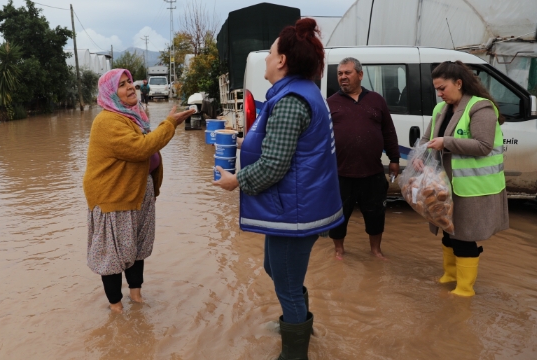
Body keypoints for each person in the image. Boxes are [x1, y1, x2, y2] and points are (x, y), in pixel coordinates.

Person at [213, 18, 343, 359]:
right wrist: (247, 143)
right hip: (295, 205)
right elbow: (285, 149)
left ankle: (295, 350)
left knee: (284, 280)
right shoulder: (301, 92)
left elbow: (274, 165)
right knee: (277, 269)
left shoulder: (289, 101)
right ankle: (297, 322)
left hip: (295, 210)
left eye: (271, 54)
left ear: (282, 61)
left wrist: (235, 181)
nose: (268, 60)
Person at [83, 69, 194, 313]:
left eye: (130, 81)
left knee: (137, 247)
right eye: (122, 85)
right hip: (115, 196)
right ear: (110, 94)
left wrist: (168, 125)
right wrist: (170, 124)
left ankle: (136, 297)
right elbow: (141, 149)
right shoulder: (107, 121)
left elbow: (147, 145)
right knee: (112, 256)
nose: (130, 87)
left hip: (137, 193)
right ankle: (116, 309)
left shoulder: (132, 116)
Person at [417, 60, 509, 297]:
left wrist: (445, 142)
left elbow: (484, 145)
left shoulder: (481, 108)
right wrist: (420, 156)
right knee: (448, 231)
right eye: (436, 89)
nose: (439, 94)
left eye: (442, 88)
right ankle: (450, 275)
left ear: (459, 83)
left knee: (465, 237)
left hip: (473, 187)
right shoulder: (441, 110)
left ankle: (465, 289)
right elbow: (426, 139)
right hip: (444, 186)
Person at [326, 57, 400, 260]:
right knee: (338, 217)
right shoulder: (331, 103)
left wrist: (394, 159)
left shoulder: (377, 100)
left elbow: (388, 131)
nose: (343, 77)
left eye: (347, 73)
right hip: (340, 173)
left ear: (360, 74)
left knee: (376, 215)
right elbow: (322, 138)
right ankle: (339, 250)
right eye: (340, 73)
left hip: (372, 172)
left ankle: (376, 251)